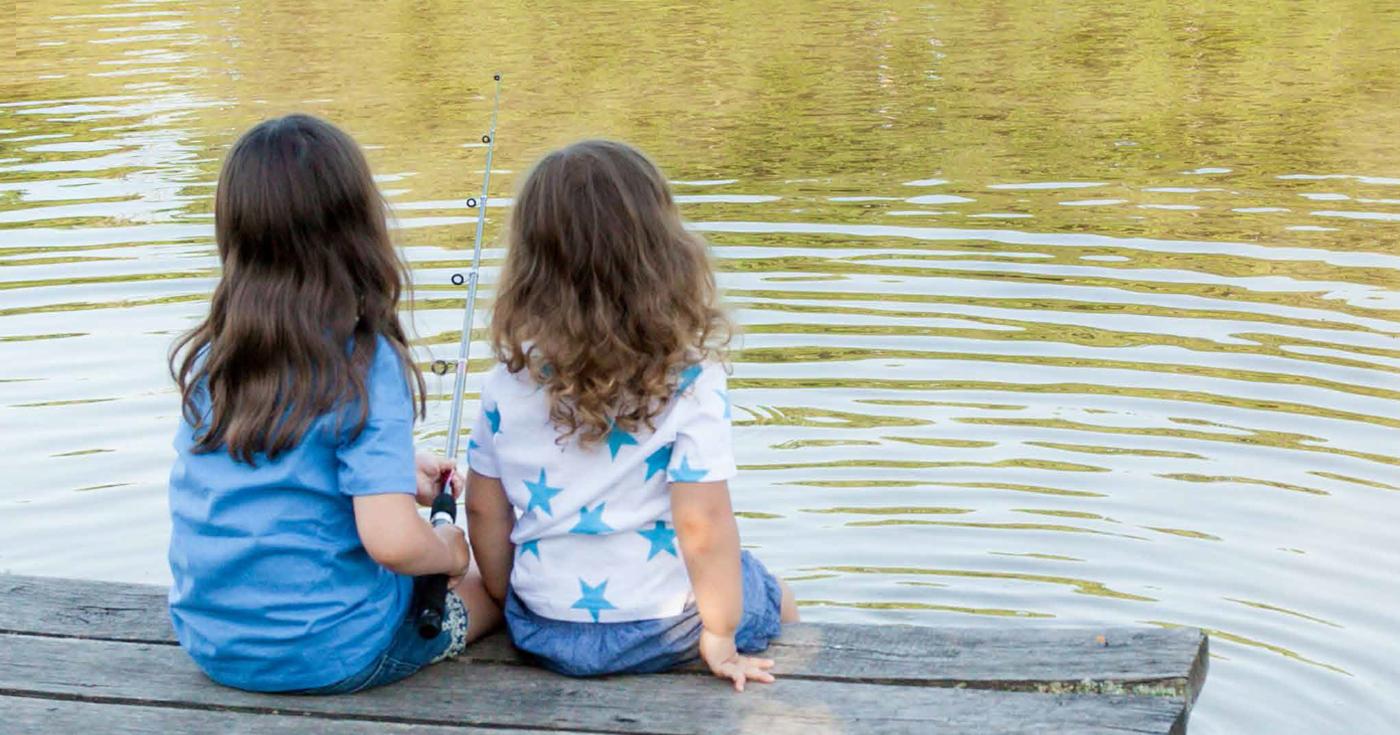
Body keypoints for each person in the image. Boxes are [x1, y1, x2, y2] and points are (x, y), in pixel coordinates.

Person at [166, 114, 500, 694]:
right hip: (335, 653)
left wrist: (394, 472)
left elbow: (281, 475)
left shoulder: (211, 359)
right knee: (490, 589)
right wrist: (448, 552)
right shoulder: (365, 363)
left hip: (214, 644)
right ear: (359, 232)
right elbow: (393, 543)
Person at [465, 139, 799, 692]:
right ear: (665, 256)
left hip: (544, 628)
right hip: (663, 629)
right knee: (772, 593)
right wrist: (718, 634)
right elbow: (703, 524)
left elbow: (483, 510)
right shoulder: (692, 382)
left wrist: (508, 599)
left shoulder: (508, 384)